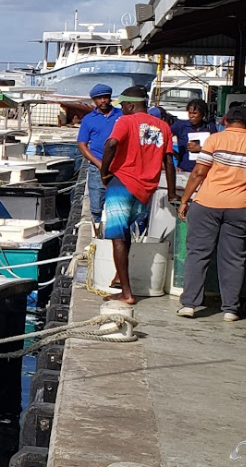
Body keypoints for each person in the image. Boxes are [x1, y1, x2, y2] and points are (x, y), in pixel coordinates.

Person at [177, 106, 246, 322]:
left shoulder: (214, 140)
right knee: (234, 259)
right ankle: (230, 309)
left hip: (206, 204)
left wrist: (184, 200)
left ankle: (189, 304)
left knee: (197, 254)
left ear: (226, 121)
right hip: (240, 207)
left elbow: (198, 173)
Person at [99, 85, 177, 305]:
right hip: (145, 190)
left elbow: (111, 143)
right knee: (125, 234)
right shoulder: (163, 126)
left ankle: (126, 293)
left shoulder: (125, 121)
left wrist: (104, 172)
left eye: (123, 105)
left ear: (131, 105)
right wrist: (171, 192)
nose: (121, 109)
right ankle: (119, 276)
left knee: (117, 236)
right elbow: (169, 161)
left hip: (122, 182)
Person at [77, 84, 123, 228]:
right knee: (96, 206)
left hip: (120, 166)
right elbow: (82, 145)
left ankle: (115, 232)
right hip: (97, 167)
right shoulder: (88, 119)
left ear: (110, 98)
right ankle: (96, 232)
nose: (103, 101)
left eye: (105, 97)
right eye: (99, 98)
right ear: (94, 100)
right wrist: (98, 163)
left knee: (119, 203)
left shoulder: (122, 116)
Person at [171, 98, 218, 172]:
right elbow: (164, 138)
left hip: (205, 171)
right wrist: (174, 154)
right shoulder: (180, 126)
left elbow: (217, 149)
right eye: (190, 113)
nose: (191, 116)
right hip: (184, 170)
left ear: (202, 114)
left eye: (195, 113)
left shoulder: (210, 127)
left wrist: (200, 149)